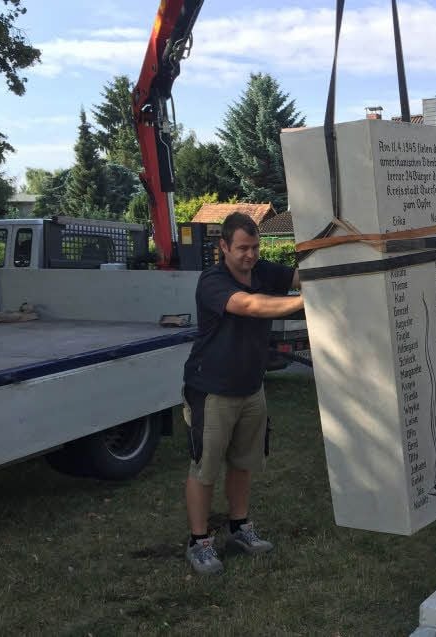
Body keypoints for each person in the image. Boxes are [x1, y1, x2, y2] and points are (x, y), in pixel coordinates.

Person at [182, 212, 305, 575]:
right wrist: (307, 301)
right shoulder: (212, 281)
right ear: (224, 246)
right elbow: (250, 305)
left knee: (243, 462)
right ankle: (199, 543)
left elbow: (301, 276)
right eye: (242, 248)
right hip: (212, 390)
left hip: (251, 387)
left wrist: (334, 264)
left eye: (255, 247)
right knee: (204, 467)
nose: (250, 255)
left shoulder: (263, 270)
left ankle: (239, 528)